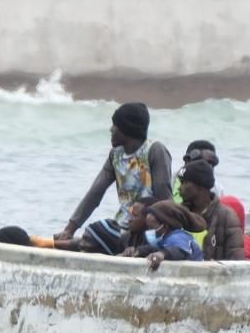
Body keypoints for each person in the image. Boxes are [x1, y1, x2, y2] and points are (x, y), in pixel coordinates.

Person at [54, 102, 173, 254]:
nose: (111, 129)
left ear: (127, 129)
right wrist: (70, 229)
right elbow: (95, 193)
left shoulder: (155, 150)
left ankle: (56, 245)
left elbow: (165, 199)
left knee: (90, 243)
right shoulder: (115, 155)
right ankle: (57, 243)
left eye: (115, 125)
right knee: (91, 236)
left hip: (148, 229)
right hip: (123, 224)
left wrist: (163, 239)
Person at [175, 158, 243, 261]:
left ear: (200, 187)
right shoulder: (178, 214)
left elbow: (236, 261)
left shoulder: (226, 217)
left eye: (184, 183)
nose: (179, 188)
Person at [124, 200, 206, 267]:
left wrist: (162, 254)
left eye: (152, 228)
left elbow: (179, 251)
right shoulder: (164, 239)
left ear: (165, 226)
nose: (149, 231)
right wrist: (137, 251)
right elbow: (153, 249)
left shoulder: (178, 237)